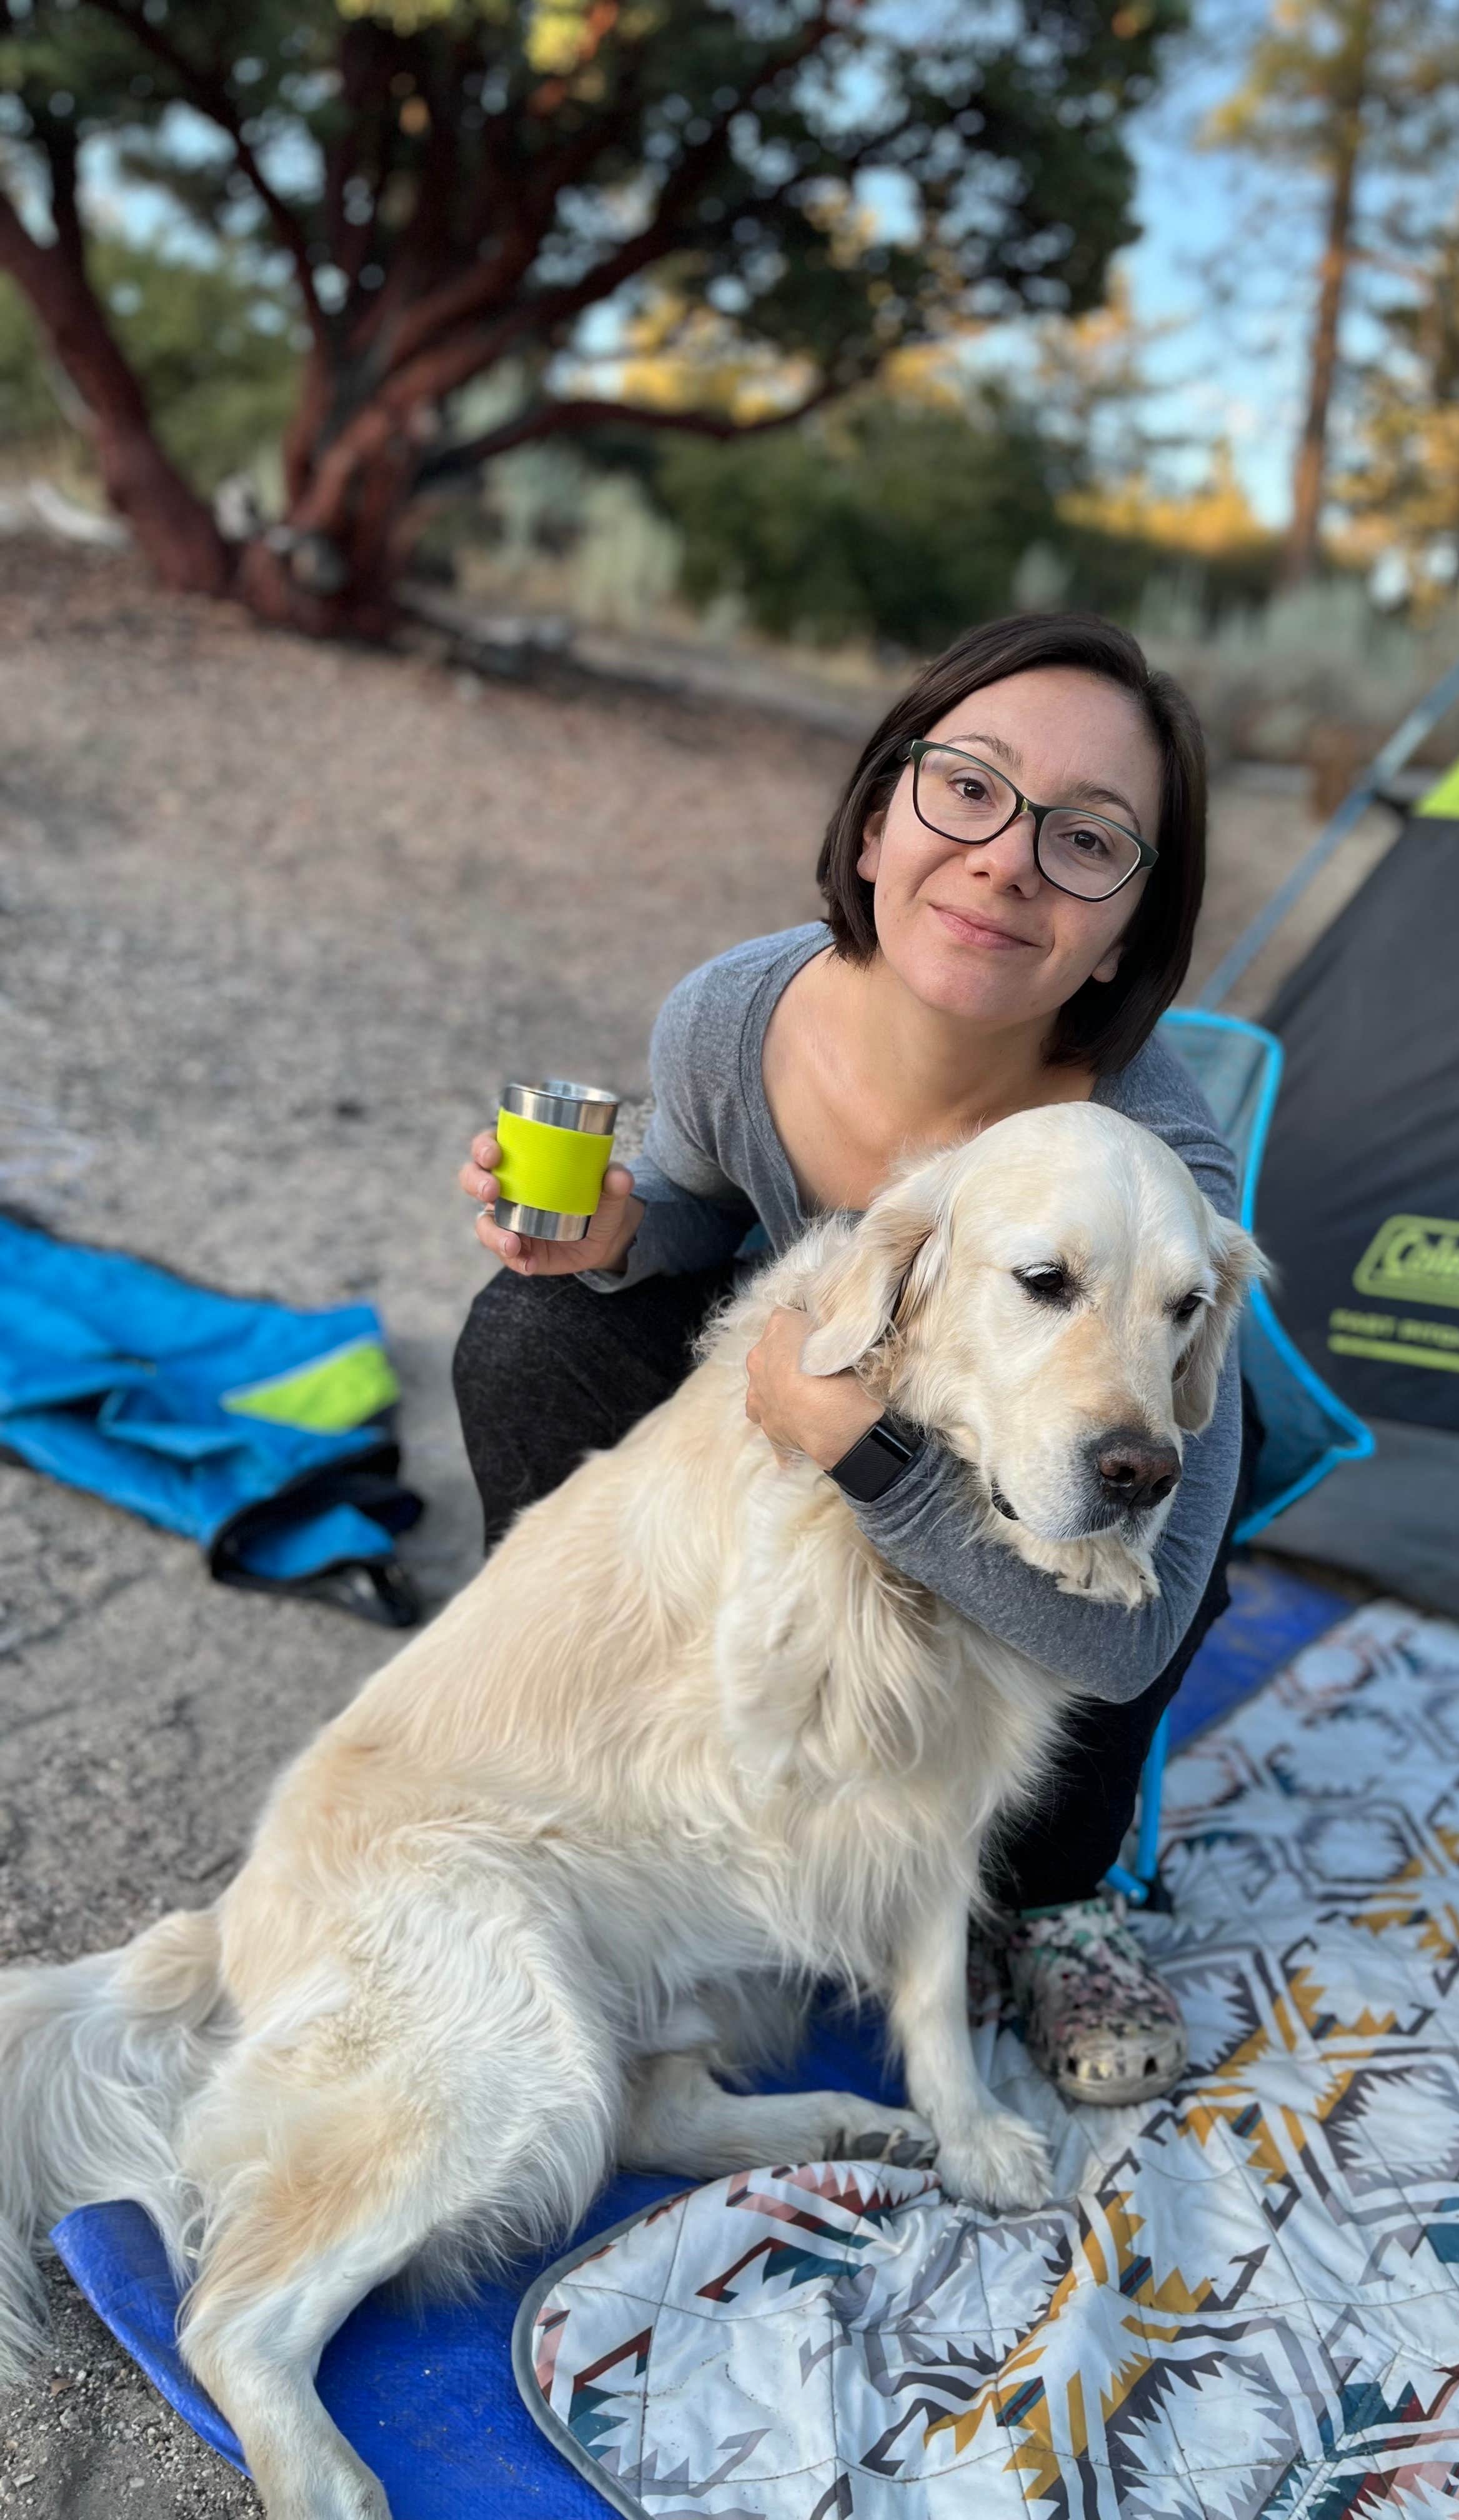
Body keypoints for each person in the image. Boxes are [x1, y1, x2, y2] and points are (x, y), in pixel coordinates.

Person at [451, 611, 1259, 2109]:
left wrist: (860, 1451)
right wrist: (620, 1231)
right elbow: (707, 1213)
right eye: (970, 788)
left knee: (1221, 1439)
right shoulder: (731, 1018)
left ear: (1132, 928)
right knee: (534, 1333)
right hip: (790, 1404)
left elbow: (1123, 1640)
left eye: (1091, 840)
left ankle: (1062, 1885)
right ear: (882, 811)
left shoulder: (1159, 1171)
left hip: (927, 1447)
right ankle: (575, 1758)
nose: (1010, 857)